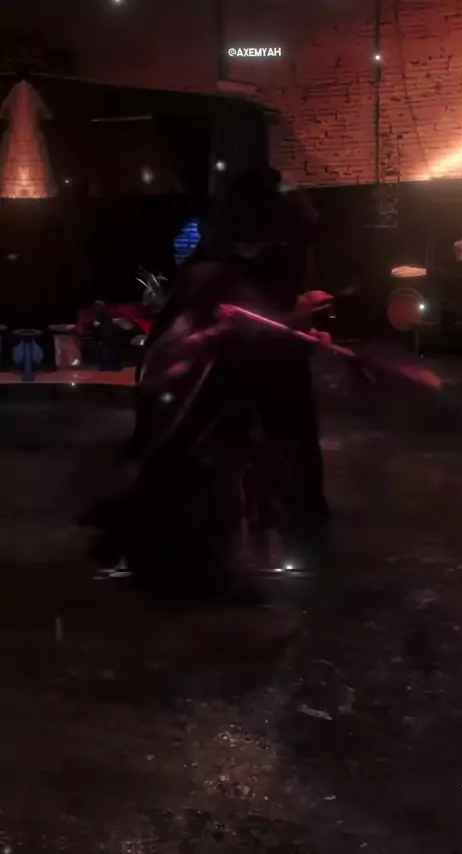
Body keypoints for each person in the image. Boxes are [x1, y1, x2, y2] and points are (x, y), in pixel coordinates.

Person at [86, 168, 329, 589]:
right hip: (217, 423)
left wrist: (294, 327)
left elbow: (258, 329)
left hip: (243, 408)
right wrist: (291, 326)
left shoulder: (236, 269)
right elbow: (213, 343)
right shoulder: (215, 275)